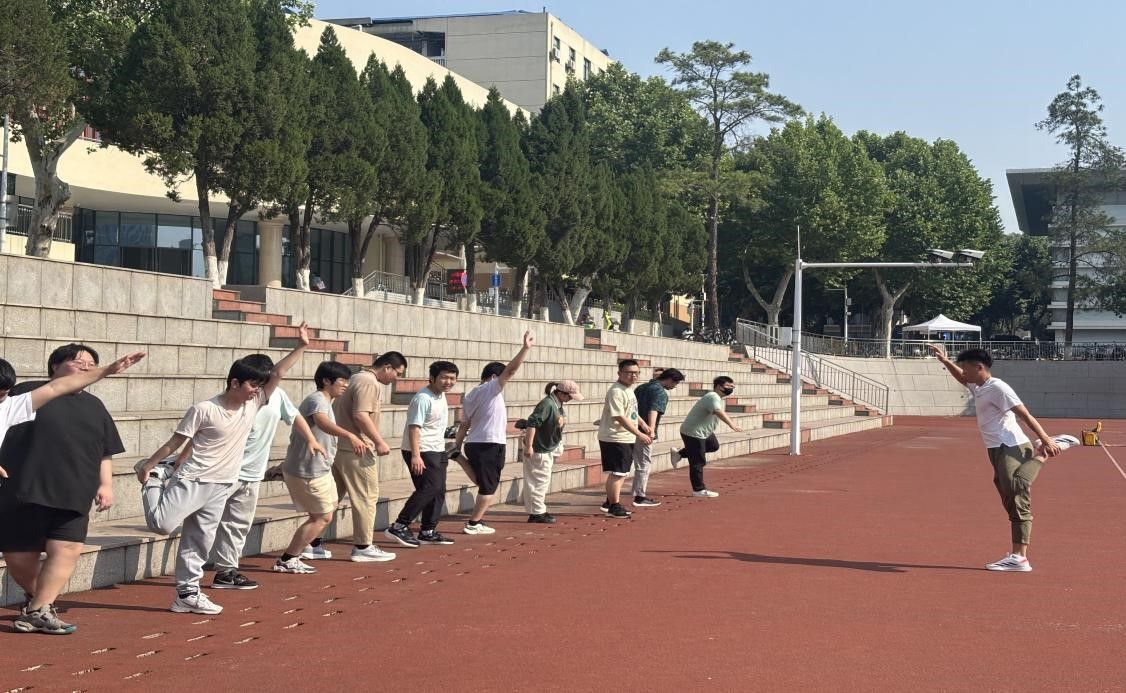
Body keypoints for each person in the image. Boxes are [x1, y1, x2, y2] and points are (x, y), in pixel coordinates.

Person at [134, 325, 309, 615]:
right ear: (235, 383)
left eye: (260, 386)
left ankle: (187, 593)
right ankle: (155, 479)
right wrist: (149, 465)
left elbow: (277, 373)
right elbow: (176, 442)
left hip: (223, 484)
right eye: (252, 385)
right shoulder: (204, 409)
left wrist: (301, 347)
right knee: (162, 525)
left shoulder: (253, 405)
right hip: (193, 479)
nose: (257, 391)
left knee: (199, 541)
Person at [0, 347, 145, 635]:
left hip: (73, 488)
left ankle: (39, 608)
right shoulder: (23, 393)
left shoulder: (16, 403)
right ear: (54, 365)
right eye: (78, 361)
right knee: (19, 554)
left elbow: (104, 447)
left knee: (67, 547)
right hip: (24, 487)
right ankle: (39, 601)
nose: (86, 367)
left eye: (92, 363)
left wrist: (108, 370)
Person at [929, 345, 1079, 572]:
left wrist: (1046, 439)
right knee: (1008, 496)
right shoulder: (979, 387)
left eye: (966, 368)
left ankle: (1045, 452)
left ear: (979, 367)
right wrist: (945, 361)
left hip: (1011, 444)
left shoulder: (998, 388)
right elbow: (962, 378)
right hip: (995, 448)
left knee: (1016, 488)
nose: (964, 372)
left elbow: (1025, 415)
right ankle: (1017, 557)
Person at [208, 353, 326, 590]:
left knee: (238, 525)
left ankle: (226, 571)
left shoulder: (277, 395)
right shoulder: (243, 399)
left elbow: (294, 416)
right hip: (224, 470)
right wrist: (302, 347)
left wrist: (311, 439)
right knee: (204, 523)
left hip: (252, 473)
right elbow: (279, 372)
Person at [274, 361, 369, 574]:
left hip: (320, 468)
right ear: (326, 380)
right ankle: (288, 558)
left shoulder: (325, 400)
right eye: (342, 381)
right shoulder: (317, 399)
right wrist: (350, 435)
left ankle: (307, 545)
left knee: (329, 508)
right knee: (323, 517)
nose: (346, 385)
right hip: (308, 470)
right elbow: (322, 421)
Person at [453, 331, 534, 535]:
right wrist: (525, 348)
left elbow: (464, 424)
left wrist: (457, 446)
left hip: (474, 443)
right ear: (493, 377)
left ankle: (459, 458)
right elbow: (511, 370)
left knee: (484, 481)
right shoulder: (490, 388)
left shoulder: (470, 395)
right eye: (502, 378)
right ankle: (473, 523)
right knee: (488, 486)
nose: (506, 382)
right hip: (490, 443)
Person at [331, 351, 407, 562]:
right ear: (387, 367)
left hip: (341, 446)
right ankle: (363, 546)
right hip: (358, 448)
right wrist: (379, 441)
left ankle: (313, 542)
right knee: (366, 497)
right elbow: (361, 415)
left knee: (331, 498)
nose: (396, 379)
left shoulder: (356, 378)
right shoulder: (368, 382)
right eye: (397, 373)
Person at [384, 361, 460, 548]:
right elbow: (414, 428)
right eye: (444, 377)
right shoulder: (423, 398)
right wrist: (416, 456)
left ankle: (427, 531)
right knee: (429, 488)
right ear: (432, 378)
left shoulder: (440, 395)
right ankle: (399, 525)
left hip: (437, 449)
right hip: (421, 450)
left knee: (438, 490)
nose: (448, 382)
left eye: (452, 378)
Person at [521, 380, 583, 523]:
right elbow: (532, 423)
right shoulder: (547, 405)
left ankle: (537, 510)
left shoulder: (557, 403)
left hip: (546, 447)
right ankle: (537, 513)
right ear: (561, 393)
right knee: (539, 482)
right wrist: (529, 446)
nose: (570, 399)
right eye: (569, 396)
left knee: (540, 481)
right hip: (539, 449)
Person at [672, 376, 743, 497]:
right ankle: (698, 490)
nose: (731, 388)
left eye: (733, 386)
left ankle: (680, 453)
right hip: (693, 432)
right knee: (698, 461)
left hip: (704, 432)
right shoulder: (713, 396)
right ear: (719, 386)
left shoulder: (716, 397)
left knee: (713, 445)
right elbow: (717, 411)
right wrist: (732, 424)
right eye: (728, 386)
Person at [597, 359, 651, 518]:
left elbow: (631, 412)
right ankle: (614, 505)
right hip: (615, 437)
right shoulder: (616, 391)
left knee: (621, 472)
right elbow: (619, 416)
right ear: (619, 373)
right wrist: (639, 434)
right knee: (618, 473)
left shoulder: (628, 390)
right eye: (629, 372)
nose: (633, 376)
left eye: (636, 373)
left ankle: (610, 502)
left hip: (625, 437)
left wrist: (643, 424)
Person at [630, 368, 685, 508]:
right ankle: (639, 496)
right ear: (670, 379)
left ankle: (611, 498)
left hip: (629, 429)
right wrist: (651, 429)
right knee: (644, 463)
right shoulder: (660, 392)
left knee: (624, 465)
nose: (675, 386)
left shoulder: (641, 387)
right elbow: (653, 410)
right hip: (643, 432)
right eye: (676, 383)